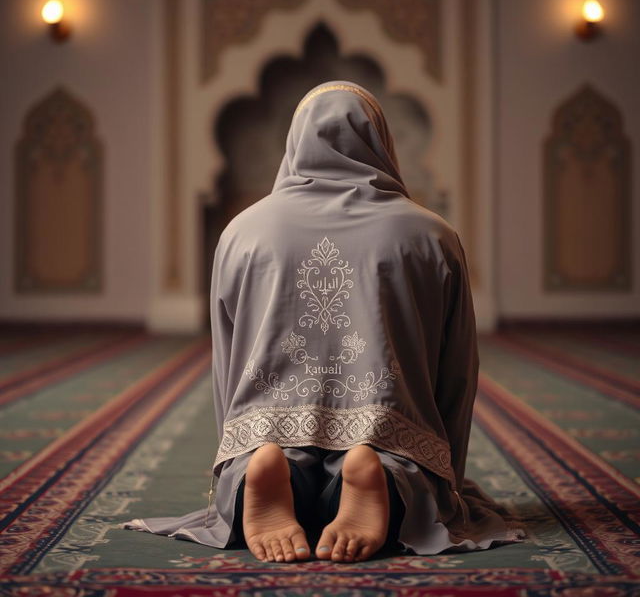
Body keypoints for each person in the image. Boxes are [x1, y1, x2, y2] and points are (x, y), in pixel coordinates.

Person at [122, 80, 526, 563]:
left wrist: (235, 448)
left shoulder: (243, 232)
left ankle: (262, 467)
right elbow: (457, 369)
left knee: (260, 444)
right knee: (406, 475)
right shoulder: (431, 235)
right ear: (381, 141)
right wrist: (448, 485)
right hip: (390, 428)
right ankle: (375, 466)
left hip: (269, 423)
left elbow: (227, 364)